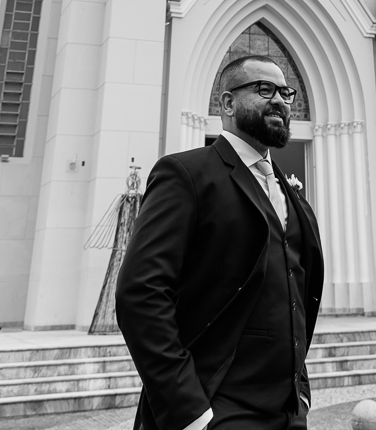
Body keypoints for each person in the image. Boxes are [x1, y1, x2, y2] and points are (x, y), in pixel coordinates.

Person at [116, 54, 324, 430]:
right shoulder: (186, 175)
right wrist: (192, 413)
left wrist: (302, 393)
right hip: (217, 409)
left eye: (286, 92)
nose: (279, 99)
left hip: (288, 414)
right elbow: (140, 294)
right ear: (227, 103)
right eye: (264, 89)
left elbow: (294, 295)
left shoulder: (292, 196)